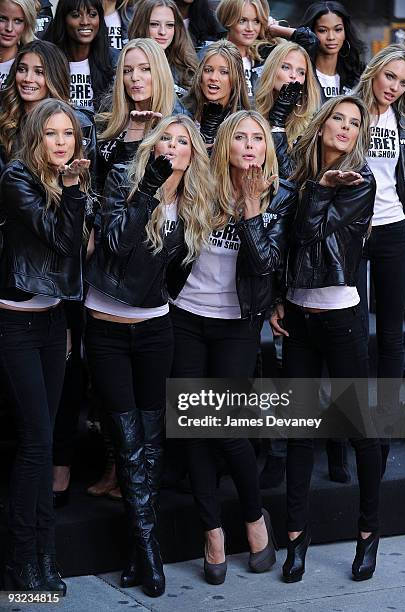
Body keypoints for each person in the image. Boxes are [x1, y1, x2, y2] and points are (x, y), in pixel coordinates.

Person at [84, 114, 214, 596]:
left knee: (152, 440)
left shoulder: (194, 203)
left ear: (192, 154)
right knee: (126, 437)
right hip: (107, 328)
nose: (173, 147)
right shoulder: (124, 179)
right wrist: (149, 189)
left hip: (156, 329)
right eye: (167, 139)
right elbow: (115, 244)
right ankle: (149, 550)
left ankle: (143, 548)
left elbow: (177, 275)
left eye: (183, 142)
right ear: (154, 147)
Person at [169, 109, 297, 584]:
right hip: (185, 318)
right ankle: (213, 533)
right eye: (239, 137)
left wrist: (249, 207)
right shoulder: (198, 186)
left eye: (257, 138)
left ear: (267, 147)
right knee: (193, 428)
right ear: (223, 145)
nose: (248, 146)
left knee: (227, 429)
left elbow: (265, 264)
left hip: (237, 324)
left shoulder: (279, 196)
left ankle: (253, 518)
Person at [270, 95, 382, 583]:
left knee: (360, 429)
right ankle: (296, 537)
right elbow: (281, 242)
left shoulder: (362, 182)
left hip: (340, 318)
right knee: (298, 431)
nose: (345, 127)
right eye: (337, 117)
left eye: (354, 123)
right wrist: (277, 296)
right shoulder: (297, 174)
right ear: (321, 125)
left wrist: (317, 190)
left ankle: (368, 534)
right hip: (298, 316)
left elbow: (308, 232)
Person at [0, 98, 90, 593]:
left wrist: (75, 190)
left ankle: (44, 555)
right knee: (35, 442)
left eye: (69, 135)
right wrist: (75, 189)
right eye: (53, 134)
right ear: (36, 137)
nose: (62, 143)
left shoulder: (68, 183)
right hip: (14, 325)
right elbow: (61, 238)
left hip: (54, 323)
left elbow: (75, 253)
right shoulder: (17, 180)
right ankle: (21, 560)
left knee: (47, 437)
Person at [355, 44, 405, 476]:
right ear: (374, 72)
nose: (394, 88)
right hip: (354, 232)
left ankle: (385, 426)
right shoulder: (347, 110)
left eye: (404, 82)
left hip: (394, 230)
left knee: (392, 334)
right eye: (390, 77)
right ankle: (354, 426)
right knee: (355, 331)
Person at [0, 40, 97, 176]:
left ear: (54, 77)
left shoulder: (81, 123)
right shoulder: (4, 119)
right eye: (22, 69)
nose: (28, 78)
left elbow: (90, 181)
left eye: (39, 72)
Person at [96, 37, 177, 191]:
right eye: (127, 71)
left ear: (159, 73)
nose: (134, 77)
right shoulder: (102, 123)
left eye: (145, 69)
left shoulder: (175, 127)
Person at [255, 40, 321, 179]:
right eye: (285, 67)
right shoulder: (251, 113)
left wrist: (278, 122)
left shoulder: (311, 124)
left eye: (301, 72)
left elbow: (292, 177)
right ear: (272, 70)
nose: (293, 76)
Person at [44, 0, 118, 111]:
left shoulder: (114, 60)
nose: (85, 22)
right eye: (76, 15)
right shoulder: (46, 59)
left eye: (92, 14)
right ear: (63, 19)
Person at [128, 0, 197, 96]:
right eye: (154, 24)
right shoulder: (124, 65)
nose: (162, 32)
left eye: (169, 25)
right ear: (141, 25)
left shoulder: (187, 69)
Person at [300, 1, 366, 102]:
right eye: (322, 30)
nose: (331, 37)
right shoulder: (300, 74)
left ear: (345, 32)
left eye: (338, 29)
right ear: (311, 33)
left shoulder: (357, 76)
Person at [0, 0, 36, 88]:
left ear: (26, 24)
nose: (9, 28)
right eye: (2, 19)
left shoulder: (35, 62)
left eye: (18, 21)